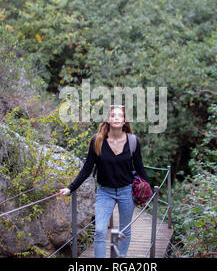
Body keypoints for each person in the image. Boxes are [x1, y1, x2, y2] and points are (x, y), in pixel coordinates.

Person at [58, 105, 149, 258]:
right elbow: (87, 169)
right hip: (105, 192)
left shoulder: (133, 141)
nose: (117, 118)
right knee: (100, 230)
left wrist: (147, 189)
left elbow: (139, 167)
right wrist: (70, 188)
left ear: (125, 120)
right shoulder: (97, 141)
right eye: (113, 115)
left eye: (120, 116)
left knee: (124, 230)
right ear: (108, 119)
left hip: (127, 191)